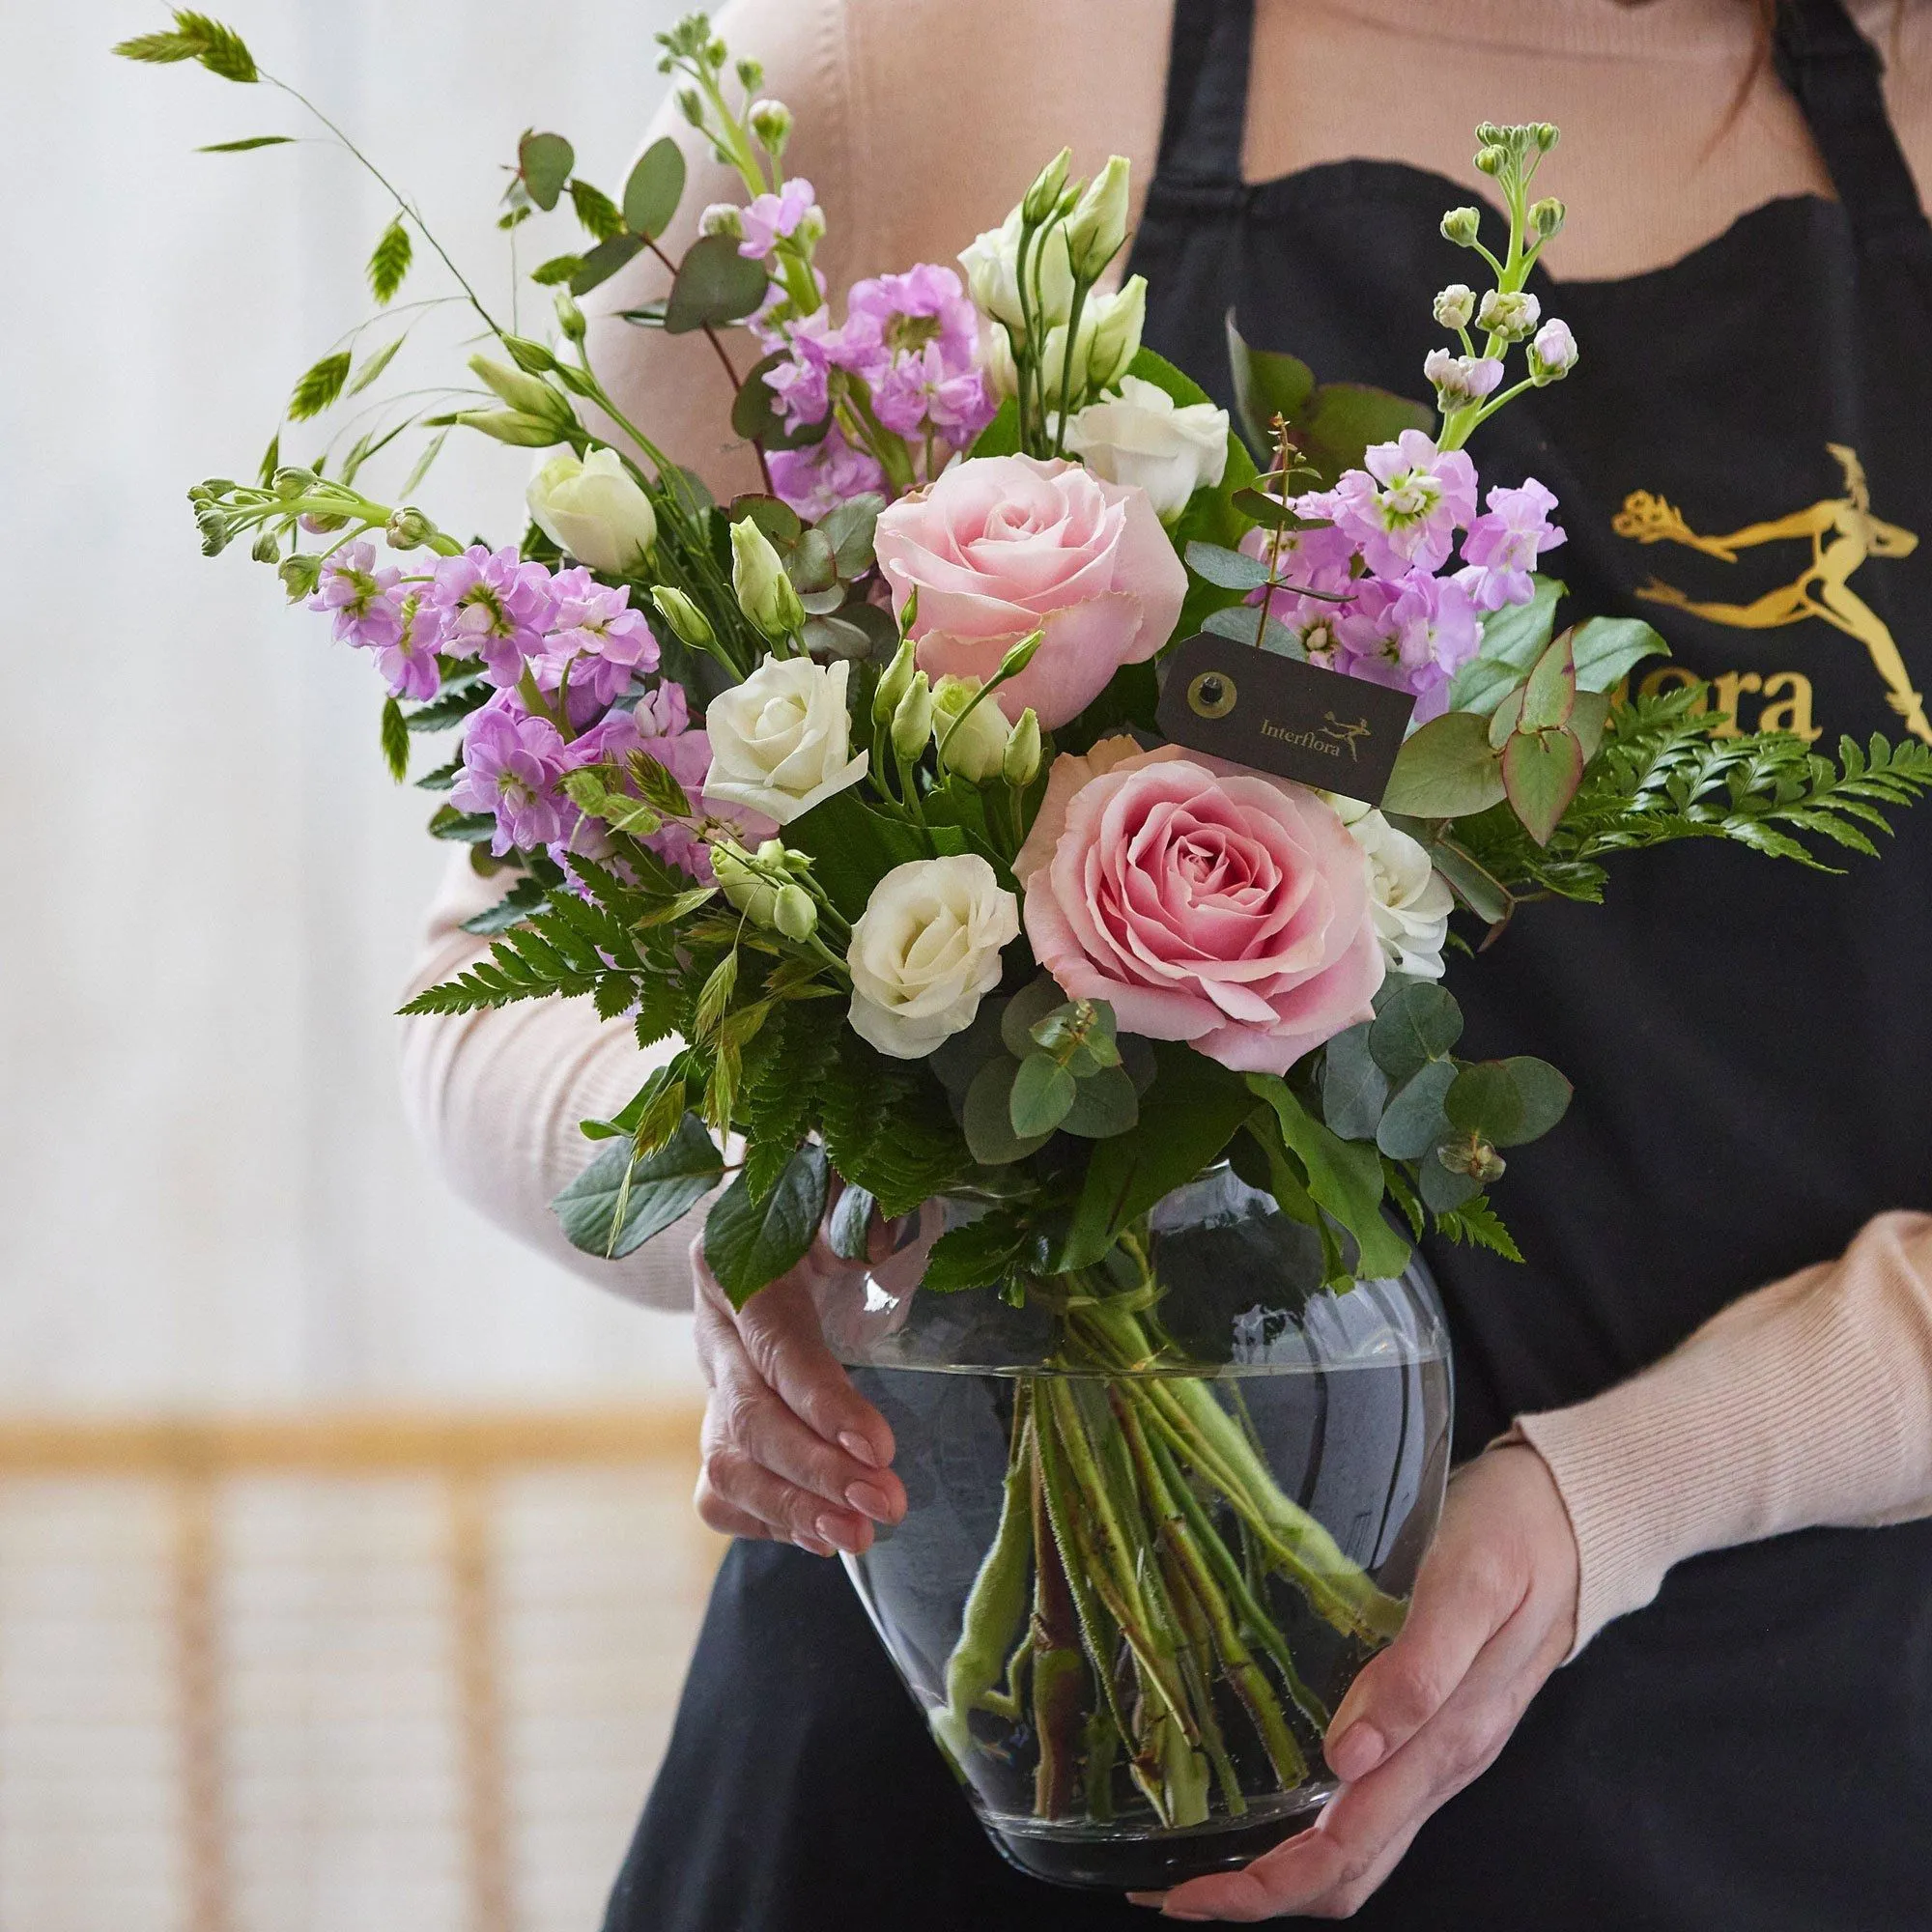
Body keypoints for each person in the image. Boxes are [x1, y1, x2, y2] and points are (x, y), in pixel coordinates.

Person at [400, 0, 1932, 1922]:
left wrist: (1626, 1490)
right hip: (968, 1773)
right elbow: (506, 951)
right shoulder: (941, 69)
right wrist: (742, 1192)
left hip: (1757, 1793)